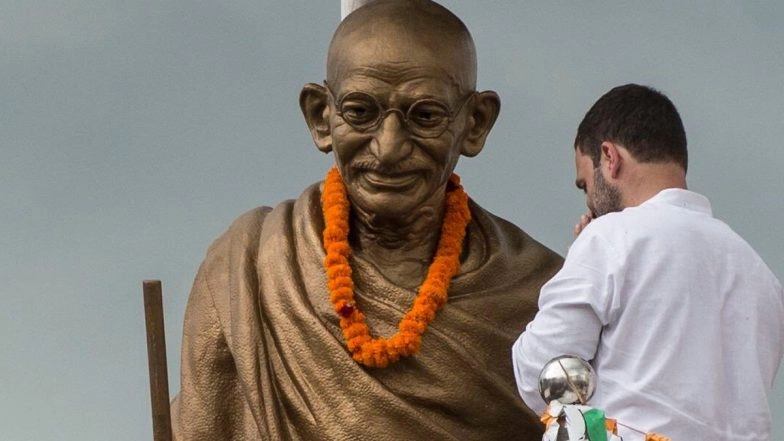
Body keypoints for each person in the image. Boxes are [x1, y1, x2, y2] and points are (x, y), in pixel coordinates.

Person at [171, 1, 563, 439]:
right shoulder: (250, 268)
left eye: (426, 116)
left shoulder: (543, 296)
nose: (389, 148)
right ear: (320, 116)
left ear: (475, 123)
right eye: (360, 112)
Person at [512, 83, 784, 440]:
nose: (589, 203)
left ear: (610, 158)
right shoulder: (762, 278)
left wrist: (583, 256)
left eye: (585, 185)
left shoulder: (610, 239)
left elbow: (540, 373)